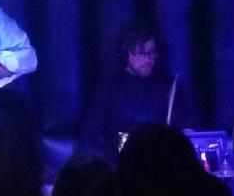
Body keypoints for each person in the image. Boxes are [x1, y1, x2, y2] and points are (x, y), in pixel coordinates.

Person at [78, 19, 193, 168]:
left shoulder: (169, 86)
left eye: (151, 52)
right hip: (119, 167)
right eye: (140, 53)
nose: (147, 59)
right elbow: (89, 137)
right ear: (125, 53)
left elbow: (188, 129)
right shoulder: (108, 89)